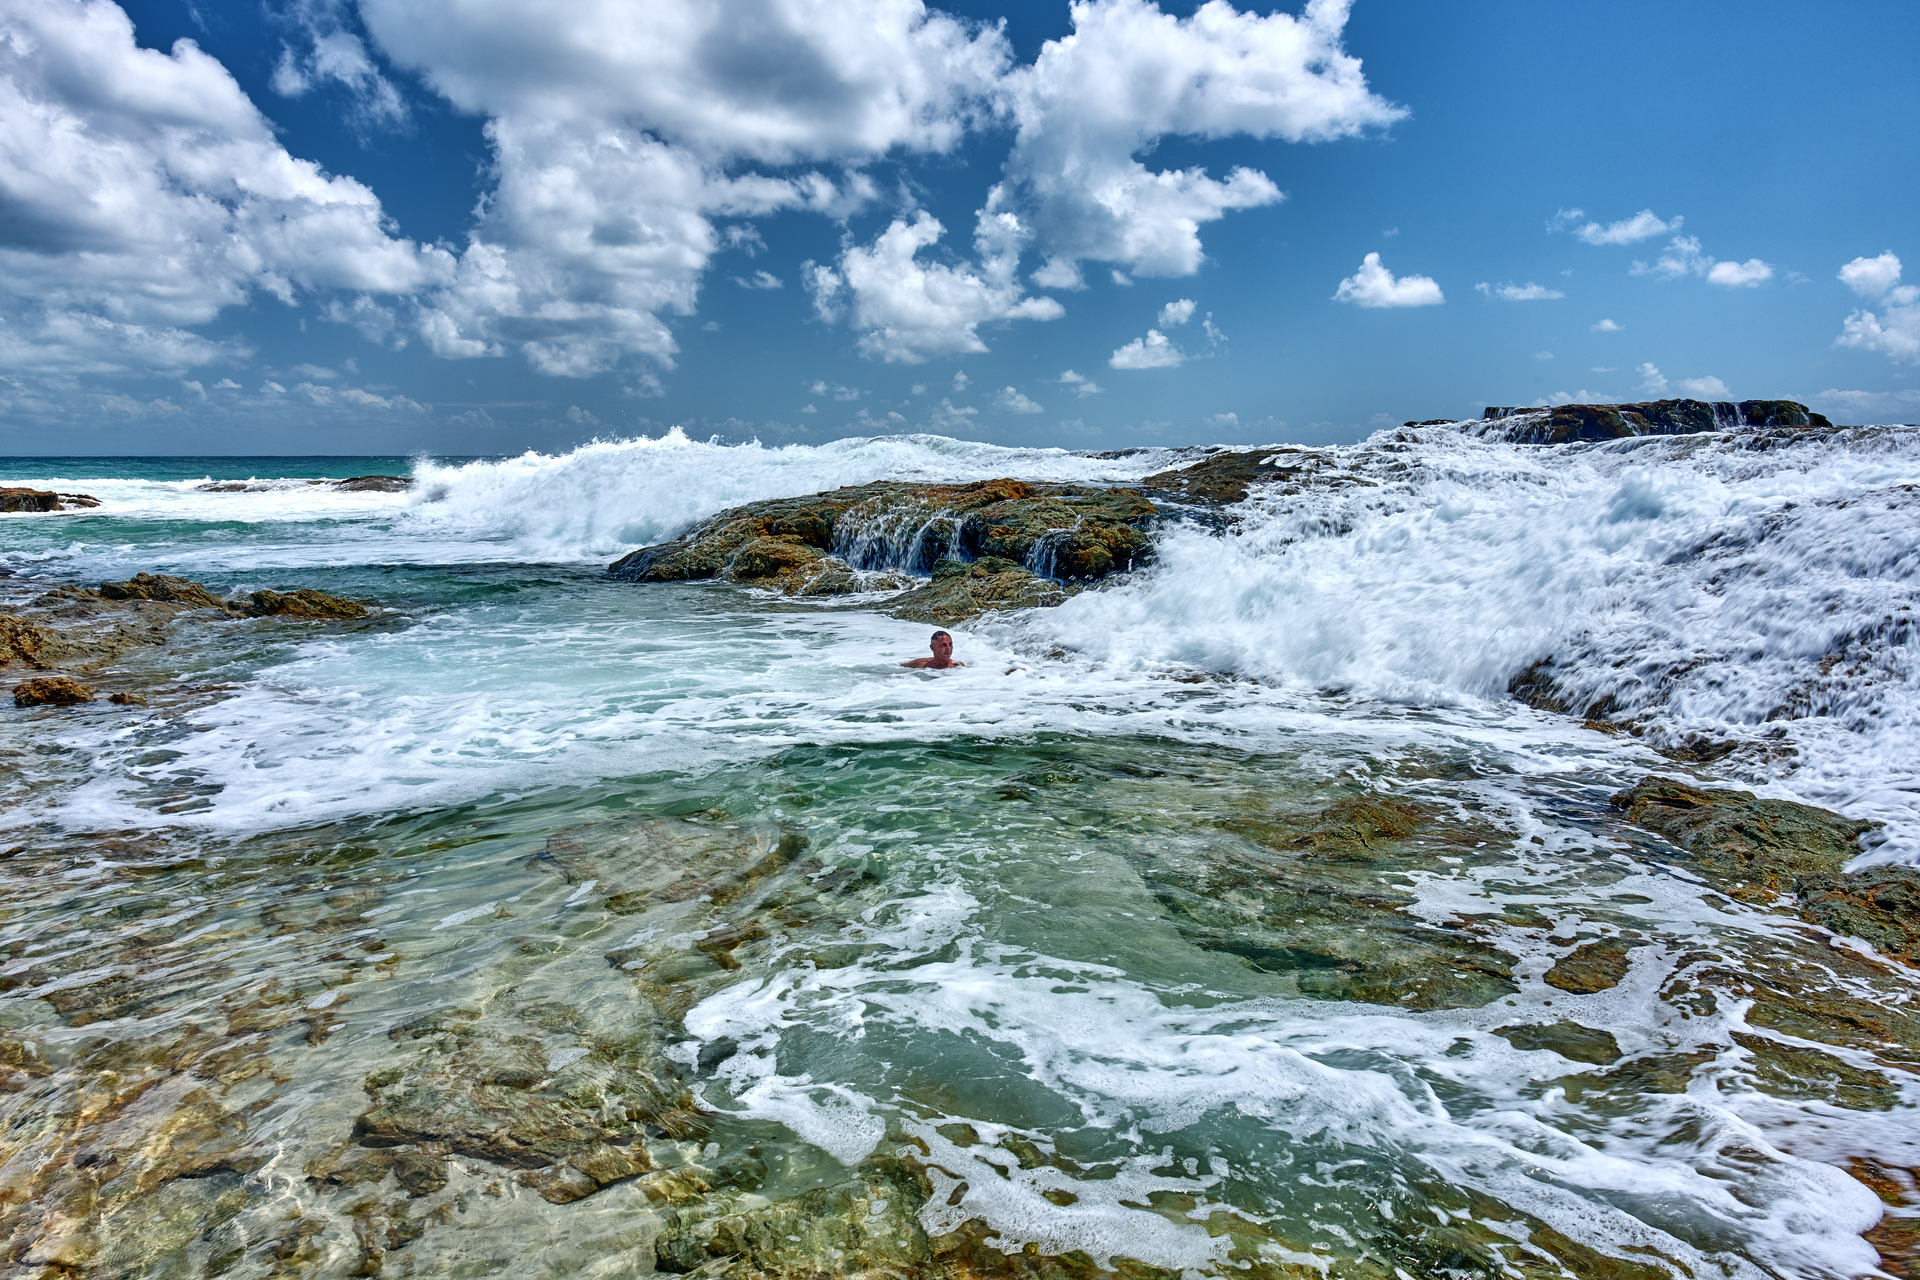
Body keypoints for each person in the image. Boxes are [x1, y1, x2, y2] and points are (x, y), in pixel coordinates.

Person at [901, 630, 965, 669]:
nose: (948, 649)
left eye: (950, 644)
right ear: (932, 647)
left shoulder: (957, 667)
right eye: (944, 645)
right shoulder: (920, 664)